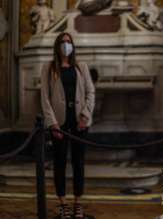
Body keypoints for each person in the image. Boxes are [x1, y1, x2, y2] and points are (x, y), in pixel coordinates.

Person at [41, 32, 95, 219]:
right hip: (59, 124)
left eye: (69, 42)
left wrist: (85, 116)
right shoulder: (49, 68)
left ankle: (77, 203)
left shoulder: (81, 66)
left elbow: (90, 92)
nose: (66, 45)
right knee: (60, 164)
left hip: (79, 123)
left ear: (73, 45)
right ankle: (63, 204)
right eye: (63, 42)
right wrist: (53, 123)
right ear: (57, 46)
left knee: (79, 164)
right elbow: (45, 98)